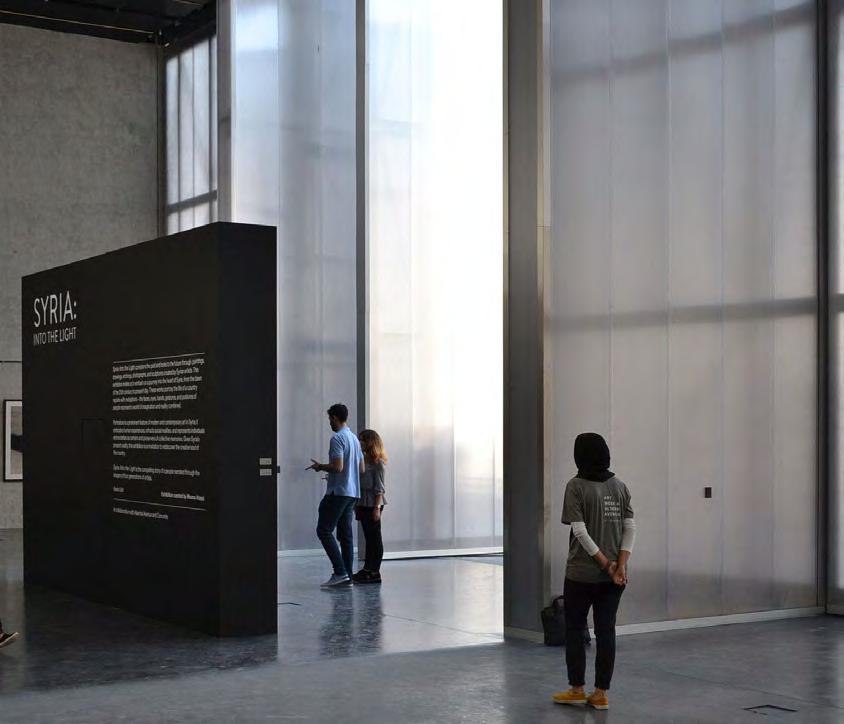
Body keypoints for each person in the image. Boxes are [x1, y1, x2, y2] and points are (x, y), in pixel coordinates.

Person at [553, 432, 636, 712]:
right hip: (614, 579)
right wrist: (620, 565)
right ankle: (601, 694)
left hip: (581, 574)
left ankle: (577, 690)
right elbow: (630, 528)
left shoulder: (575, 486)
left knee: (575, 630)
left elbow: (579, 531)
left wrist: (605, 564)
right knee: (606, 631)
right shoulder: (620, 486)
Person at [307, 403, 364, 588]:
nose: (329, 423)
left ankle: (340, 572)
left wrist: (321, 467)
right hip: (353, 493)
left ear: (334, 418)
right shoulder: (354, 439)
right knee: (345, 535)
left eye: (330, 419)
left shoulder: (337, 438)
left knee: (324, 530)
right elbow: (361, 468)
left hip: (338, 492)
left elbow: (338, 467)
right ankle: (347, 577)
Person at [353, 429, 387, 584]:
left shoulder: (378, 463)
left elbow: (380, 488)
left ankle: (374, 571)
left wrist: (377, 508)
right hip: (362, 501)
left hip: (373, 502)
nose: (360, 443)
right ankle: (367, 569)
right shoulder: (362, 459)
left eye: (363, 440)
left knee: (374, 537)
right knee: (368, 537)